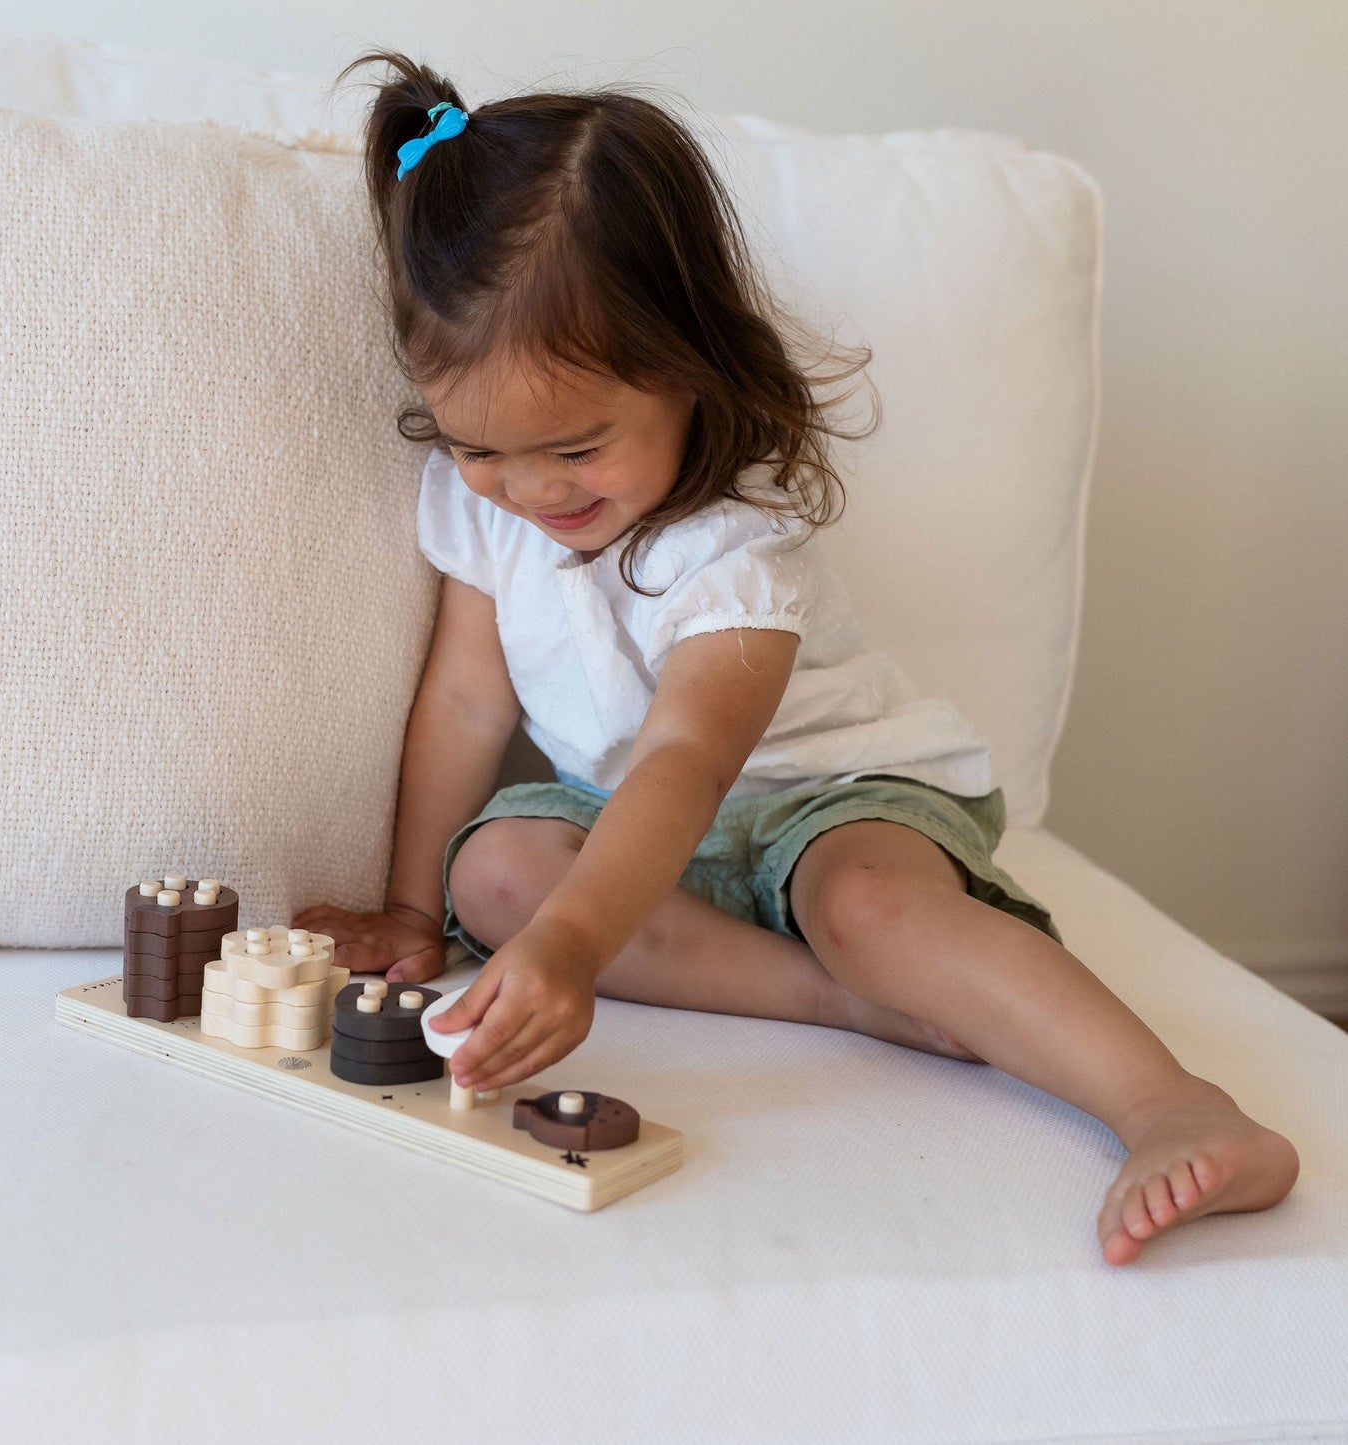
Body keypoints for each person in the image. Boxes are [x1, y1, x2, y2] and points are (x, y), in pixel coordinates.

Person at [296, 52, 1297, 1264]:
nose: (527, 490)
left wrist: (572, 946)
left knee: (864, 902)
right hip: (630, 824)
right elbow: (463, 697)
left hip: (832, 799)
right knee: (495, 875)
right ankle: (849, 1001)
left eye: (572, 446)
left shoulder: (733, 544)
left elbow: (685, 757)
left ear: (684, 366)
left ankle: (1173, 1104)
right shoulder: (483, 506)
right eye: (476, 449)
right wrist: (412, 905)